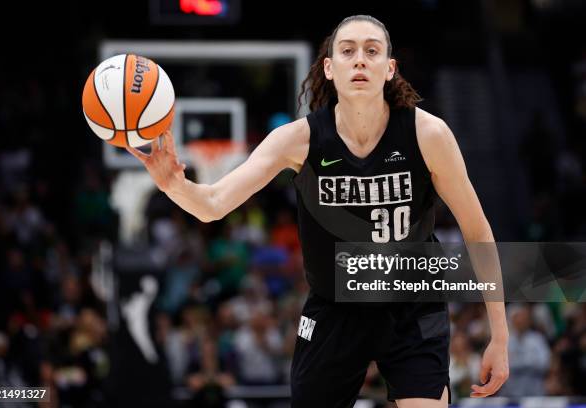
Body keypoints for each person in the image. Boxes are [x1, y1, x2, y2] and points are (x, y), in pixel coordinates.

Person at [127, 14, 509, 408]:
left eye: (372, 51)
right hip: (333, 309)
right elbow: (212, 205)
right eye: (347, 51)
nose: (359, 60)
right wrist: (173, 184)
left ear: (389, 69)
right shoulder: (298, 140)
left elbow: (478, 233)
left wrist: (500, 335)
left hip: (411, 307)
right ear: (329, 67)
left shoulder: (429, 135)